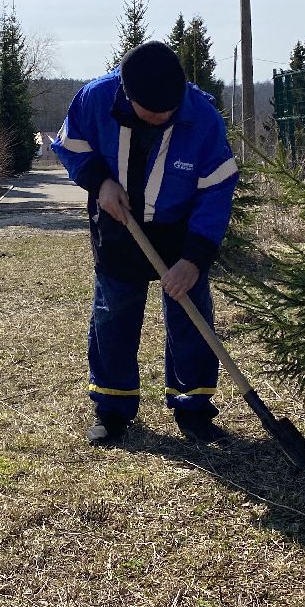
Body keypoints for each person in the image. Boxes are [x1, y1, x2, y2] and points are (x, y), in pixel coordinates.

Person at [51, 41, 239, 445]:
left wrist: (194, 258)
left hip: (181, 231)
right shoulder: (95, 99)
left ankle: (194, 409)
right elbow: (71, 145)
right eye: (151, 111)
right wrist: (99, 182)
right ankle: (112, 408)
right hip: (119, 224)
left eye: (168, 111)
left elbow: (218, 188)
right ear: (127, 93)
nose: (162, 118)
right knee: (114, 316)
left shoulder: (202, 118)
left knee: (191, 318)